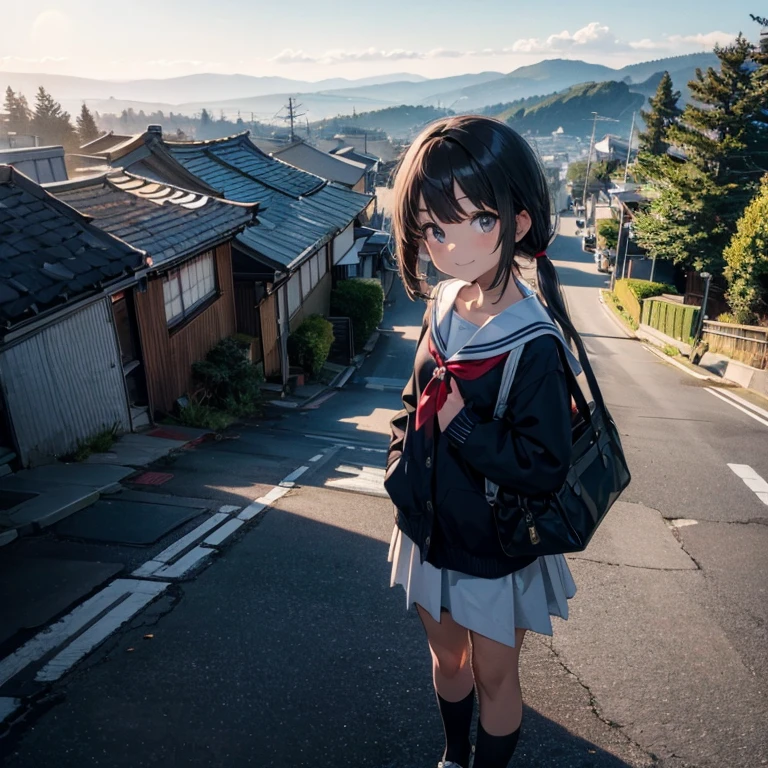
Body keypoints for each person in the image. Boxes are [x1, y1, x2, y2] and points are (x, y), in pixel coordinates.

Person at [384, 115, 584, 768]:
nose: (452, 246)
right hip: (429, 528)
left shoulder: (535, 342)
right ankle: (452, 755)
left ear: (517, 221)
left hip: (496, 545)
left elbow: (546, 465)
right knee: (446, 660)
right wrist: (399, 466)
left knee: (497, 677)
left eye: (478, 221)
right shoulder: (442, 303)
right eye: (434, 228)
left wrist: (462, 426)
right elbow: (413, 404)